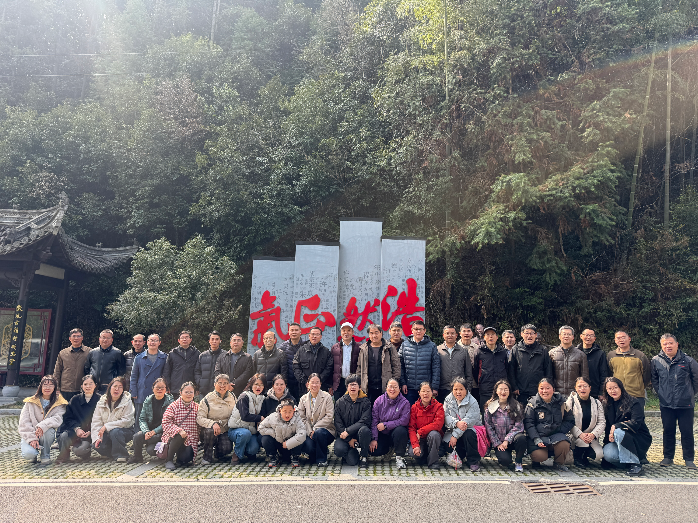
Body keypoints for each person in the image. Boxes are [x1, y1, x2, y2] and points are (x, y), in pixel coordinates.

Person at [651, 333, 698, 469]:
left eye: (670, 343)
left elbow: (696, 380)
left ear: (677, 344)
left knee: (687, 431)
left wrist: (689, 394)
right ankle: (668, 457)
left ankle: (689, 459)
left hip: (685, 404)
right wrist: (661, 393)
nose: (668, 346)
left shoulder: (688, 361)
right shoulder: (656, 360)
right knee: (668, 431)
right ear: (661, 346)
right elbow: (655, 380)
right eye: (665, 344)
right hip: (666, 404)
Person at [600, 377, 652, 476]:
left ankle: (635, 464)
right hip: (616, 440)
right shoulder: (606, 404)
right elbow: (607, 428)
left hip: (637, 438)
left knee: (618, 431)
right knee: (608, 455)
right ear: (606, 390)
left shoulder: (633, 402)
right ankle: (627, 462)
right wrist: (607, 441)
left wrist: (616, 426)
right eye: (610, 388)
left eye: (615, 387)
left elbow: (636, 423)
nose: (613, 391)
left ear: (621, 387)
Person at [523, 378, 574, 471]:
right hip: (539, 437)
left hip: (556, 436)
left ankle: (559, 463)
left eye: (547, 388)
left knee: (564, 444)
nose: (544, 391)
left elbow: (570, 420)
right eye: (541, 388)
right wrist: (536, 438)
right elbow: (528, 423)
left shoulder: (562, 403)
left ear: (553, 390)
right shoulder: (532, 404)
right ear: (538, 390)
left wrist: (559, 430)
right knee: (539, 456)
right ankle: (536, 462)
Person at [19, 375, 67, 465]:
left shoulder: (59, 403)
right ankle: (33, 454)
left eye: (51, 385)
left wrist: (42, 426)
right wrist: (32, 438)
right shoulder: (31, 402)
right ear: (40, 387)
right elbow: (24, 422)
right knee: (29, 454)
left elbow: (57, 419)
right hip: (31, 433)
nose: (47, 388)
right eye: (45, 385)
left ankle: (45, 455)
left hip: (46, 433)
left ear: (55, 388)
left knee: (49, 431)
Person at [56, 375, 101, 464]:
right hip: (75, 431)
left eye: (91, 384)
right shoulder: (75, 399)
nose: (88, 386)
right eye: (85, 384)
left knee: (80, 450)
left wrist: (91, 431)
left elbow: (102, 419)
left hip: (92, 433)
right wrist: (77, 429)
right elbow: (67, 417)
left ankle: (86, 452)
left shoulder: (100, 400)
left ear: (95, 385)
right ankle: (64, 455)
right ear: (81, 386)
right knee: (64, 436)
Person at [484, 379, 526, 472]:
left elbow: (518, 426)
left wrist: (507, 440)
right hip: (499, 442)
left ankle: (518, 461)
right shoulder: (490, 407)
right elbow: (489, 428)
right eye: (501, 389)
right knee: (505, 461)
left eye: (506, 389)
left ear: (509, 391)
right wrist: (497, 443)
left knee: (521, 438)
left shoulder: (516, 406)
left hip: (513, 439)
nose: (503, 392)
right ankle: (508, 460)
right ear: (496, 391)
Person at [128, 377, 173, 464]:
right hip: (149, 431)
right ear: (153, 389)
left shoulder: (170, 402)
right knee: (137, 436)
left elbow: (168, 422)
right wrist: (146, 431)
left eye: (162, 387)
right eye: (157, 387)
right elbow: (142, 419)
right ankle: (137, 457)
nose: (159, 390)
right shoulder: (148, 400)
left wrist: (154, 432)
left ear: (166, 389)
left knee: (151, 450)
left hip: (163, 432)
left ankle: (163, 451)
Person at [442, 377, 482, 471]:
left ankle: (473, 461)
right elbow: (445, 416)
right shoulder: (448, 400)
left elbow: (467, 423)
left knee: (468, 434)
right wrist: (456, 423)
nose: (458, 392)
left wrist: (455, 436)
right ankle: (461, 455)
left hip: (470, 430)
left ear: (466, 390)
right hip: (454, 429)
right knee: (447, 446)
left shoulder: (473, 402)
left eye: (461, 389)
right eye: (455, 389)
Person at [91, 376, 135, 462]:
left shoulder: (127, 401)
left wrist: (106, 426)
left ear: (123, 390)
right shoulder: (101, 402)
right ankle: (112, 451)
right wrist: (97, 438)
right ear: (110, 387)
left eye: (120, 387)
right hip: (107, 432)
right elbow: (96, 422)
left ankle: (121, 454)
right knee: (96, 445)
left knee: (115, 432)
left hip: (125, 430)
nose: (117, 389)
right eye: (115, 386)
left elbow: (127, 421)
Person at [564, 377, 605, 468]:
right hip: (574, 436)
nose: (582, 389)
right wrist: (580, 434)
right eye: (579, 386)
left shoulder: (597, 403)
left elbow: (601, 422)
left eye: (585, 386)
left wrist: (593, 434)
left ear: (590, 388)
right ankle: (577, 457)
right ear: (575, 388)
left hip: (590, 436)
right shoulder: (570, 402)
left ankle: (585, 455)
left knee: (599, 454)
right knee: (582, 442)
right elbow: (567, 421)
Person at [369, 378, 410, 469]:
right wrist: (374, 438)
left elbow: (404, 420)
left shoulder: (405, 403)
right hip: (382, 434)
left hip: (396, 433)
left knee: (401, 430)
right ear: (386, 388)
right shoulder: (378, 401)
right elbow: (374, 421)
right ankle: (389, 450)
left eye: (395, 387)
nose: (392, 389)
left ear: (399, 389)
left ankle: (399, 457)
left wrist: (386, 425)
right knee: (374, 451)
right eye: (390, 387)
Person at [509, 324, 553, 407]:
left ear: (536, 335)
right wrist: (514, 387)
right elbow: (511, 370)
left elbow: (548, 370)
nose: (529, 336)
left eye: (532, 333)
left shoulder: (543, 350)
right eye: (527, 333)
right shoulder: (515, 349)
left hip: (538, 391)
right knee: (521, 412)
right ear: (522, 334)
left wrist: (547, 387)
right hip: (521, 391)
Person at [196, 373, 236, 465]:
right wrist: (212, 424)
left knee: (226, 449)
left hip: (224, 429)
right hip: (209, 430)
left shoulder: (233, 397)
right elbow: (200, 418)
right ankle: (207, 456)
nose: (222, 386)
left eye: (225, 383)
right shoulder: (207, 399)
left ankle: (218, 452)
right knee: (210, 432)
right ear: (214, 384)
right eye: (220, 383)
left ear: (229, 385)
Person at [356, 324, 401, 404]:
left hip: (385, 387)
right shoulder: (364, 349)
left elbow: (396, 366)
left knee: (384, 409)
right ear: (369, 335)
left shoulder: (389, 348)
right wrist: (359, 383)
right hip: (368, 388)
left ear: (381, 333)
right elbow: (359, 368)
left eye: (376, 333)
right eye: (371, 333)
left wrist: (394, 383)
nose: (374, 336)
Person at [333, 374, 372, 467]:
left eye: (355, 385)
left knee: (365, 430)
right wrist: (349, 439)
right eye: (350, 385)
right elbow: (338, 423)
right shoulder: (340, 402)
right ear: (347, 387)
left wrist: (348, 431)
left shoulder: (366, 402)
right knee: (339, 451)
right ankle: (350, 451)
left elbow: (364, 421)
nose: (353, 387)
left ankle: (364, 456)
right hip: (345, 436)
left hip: (359, 434)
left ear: (360, 387)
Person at [298, 373, 336, 467]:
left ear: (320, 384)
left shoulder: (327, 397)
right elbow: (301, 418)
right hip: (309, 431)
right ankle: (317, 453)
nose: (314, 385)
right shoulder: (303, 399)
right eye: (312, 382)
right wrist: (310, 431)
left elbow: (329, 416)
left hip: (325, 430)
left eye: (317, 382)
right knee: (309, 448)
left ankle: (322, 460)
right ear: (308, 384)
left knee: (319, 433)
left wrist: (315, 428)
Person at [399, 320, 440, 405]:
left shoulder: (431, 346)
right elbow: (400, 366)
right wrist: (403, 383)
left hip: (426, 388)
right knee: (410, 411)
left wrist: (434, 387)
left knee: (426, 411)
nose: (418, 331)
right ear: (412, 330)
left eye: (421, 329)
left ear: (424, 331)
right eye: (416, 329)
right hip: (409, 388)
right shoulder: (404, 345)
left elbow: (436, 367)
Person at [228, 373, 265, 464]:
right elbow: (245, 416)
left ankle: (245, 449)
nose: (258, 387)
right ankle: (237, 454)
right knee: (245, 434)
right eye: (256, 384)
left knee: (253, 450)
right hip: (236, 430)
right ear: (251, 385)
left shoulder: (263, 398)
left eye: (261, 385)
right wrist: (260, 418)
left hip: (251, 431)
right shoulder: (244, 396)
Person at [130, 333, 167, 425]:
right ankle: (137, 433)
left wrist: (166, 390)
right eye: (151, 340)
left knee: (156, 417)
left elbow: (166, 375)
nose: (152, 343)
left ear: (159, 343)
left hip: (158, 391)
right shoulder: (139, 357)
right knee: (139, 417)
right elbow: (134, 376)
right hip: (142, 391)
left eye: (155, 341)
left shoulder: (164, 357)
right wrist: (133, 391)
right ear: (147, 342)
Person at [161, 382, 199, 471]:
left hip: (190, 440)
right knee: (179, 435)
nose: (189, 394)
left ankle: (180, 458)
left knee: (186, 459)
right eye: (186, 392)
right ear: (181, 393)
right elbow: (166, 423)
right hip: (174, 437)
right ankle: (169, 459)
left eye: (191, 392)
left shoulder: (197, 407)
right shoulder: (173, 406)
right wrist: (179, 430)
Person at [258, 398, 307, 468]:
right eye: (285, 411)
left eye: (290, 412)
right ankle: (273, 457)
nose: (287, 415)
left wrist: (288, 443)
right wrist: (275, 434)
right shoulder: (273, 417)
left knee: (299, 439)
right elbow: (261, 427)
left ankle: (295, 457)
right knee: (265, 438)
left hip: (292, 446)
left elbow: (302, 434)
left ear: (294, 410)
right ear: (280, 410)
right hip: (278, 442)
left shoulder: (298, 418)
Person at [607, 331, 651, 408]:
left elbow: (646, 374)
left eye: (623, 337)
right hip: (618, 395)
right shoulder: (611, 355)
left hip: (636, 394)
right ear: (615, 340)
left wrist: (639, 386)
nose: (621, 340)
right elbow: (609, 373)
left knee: (637, 415)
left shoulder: (640, 355)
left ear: (629, 339)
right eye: (618, 338)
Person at [473, 327, 510, 412]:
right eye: (488, 335)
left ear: (497, 337)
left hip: (501, 390)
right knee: (486, 413)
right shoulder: (479, 351)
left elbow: (507, 369)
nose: (490, 337)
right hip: (485, 388)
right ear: (484, 337)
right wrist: (481, 381)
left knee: (501, 414)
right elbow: (475, 370)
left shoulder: (502, 352)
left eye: (493, 334)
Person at [408, 382, 444, 469]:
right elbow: (411, 428)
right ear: (419, 393)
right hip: (420, 439)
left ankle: (433, 462)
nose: (425, 394)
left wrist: (421, 431)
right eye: (423, 391)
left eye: (428, 391)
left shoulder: (438, 406)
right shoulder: (414, 407)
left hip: (433, 438)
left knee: (434, 434)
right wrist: (415, 445)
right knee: (413, 453)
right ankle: (424, 456)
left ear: (432, 393)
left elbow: (438, 425)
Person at [549, 326, 589, 398]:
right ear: (559, 336)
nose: (566, 336)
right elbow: (548, 375)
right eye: (564, 334)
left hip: (574, 394)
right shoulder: (552, 353)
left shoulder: (581, 355)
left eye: (569, 334)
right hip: (556, 394)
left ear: (573, 337)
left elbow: (584, 376)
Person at [437, 325, 473, 401]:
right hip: (442, 389)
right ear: (443, 335)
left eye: (452, 333)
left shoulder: (463, 351)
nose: (450, 335)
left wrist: (468, 389)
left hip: (459, 390)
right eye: (447, 333)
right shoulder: (438, 350)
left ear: (456, 335)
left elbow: (468, 372)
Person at [53, 328, 90, 402]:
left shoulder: (89, 352)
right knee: (65, 408)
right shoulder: (63, 353)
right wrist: (56, 388)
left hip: (82, 388)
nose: (76, 338)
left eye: (78, 336)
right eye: (74, 336)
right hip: (65, 388)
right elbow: (57, 371)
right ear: (70, 338)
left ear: (82, 338)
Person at [84, 329, 126, 394]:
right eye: (103, 337)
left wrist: (114, 382)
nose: (105, 340)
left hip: (109, 386)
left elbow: (121, 371)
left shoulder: (117, 353)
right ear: (99, 339)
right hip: (93, 386)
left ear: (112, 339)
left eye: (108, 338)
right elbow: (87, 368)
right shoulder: (92, 352)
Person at [293, 327, 333, 393]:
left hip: (321, 387)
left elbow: (328, 368)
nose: (314, 336)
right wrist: (305, 381)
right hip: (304, 387)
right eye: (313, 334)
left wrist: (318, 381)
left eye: (317, 334)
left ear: (321, 337)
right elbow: (296, 367)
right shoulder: (301, 351)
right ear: (309, 336)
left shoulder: (326, 352)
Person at [163, 331, 199, 397]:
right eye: (182, 338)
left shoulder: (196, 353)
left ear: (190, 340)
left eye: (187, 337)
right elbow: (167, 371)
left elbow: (198, 371)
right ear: (179, 340)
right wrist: (167, 386)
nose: (184, 339)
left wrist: (197, 387)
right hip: (175, 388)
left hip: (190, 388)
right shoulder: (173, 353)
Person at [331, 322, 361, 399]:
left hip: (353, 382)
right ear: (341, 332)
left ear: (352, 332)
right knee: (339, 403)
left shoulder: (359, 347)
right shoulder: (335, 348)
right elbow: (331, 367)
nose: (346, 333)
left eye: (349, 330)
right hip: (339, 382)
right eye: (344, 330)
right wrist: (330, 385)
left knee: (353, 403)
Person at [577, 329, 610, 398]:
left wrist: (602, 392)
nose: (588, 337)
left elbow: (604, 374)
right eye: (586, 335)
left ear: (594, 338)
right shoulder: (575, 353)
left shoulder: (600, 354)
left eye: (591, 335)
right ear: (581, 336)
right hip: (578, 390)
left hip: (595, 391)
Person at [195, 330, 227, 397]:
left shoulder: (225, 355)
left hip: (219, 391)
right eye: (212, 339)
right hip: (203, 391)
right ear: (209, 341)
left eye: (217, 339)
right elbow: (197, 371)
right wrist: (199, 382)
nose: (214, 341)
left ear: (220, 341)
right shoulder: (202, 355)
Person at [279, 322, 304, 401]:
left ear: (300, 332)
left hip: (302, 383)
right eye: (292, 330)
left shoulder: (306, 346)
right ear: (289, 332)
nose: (294, 332)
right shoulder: (283, 347)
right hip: (288, 382)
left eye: (296, 330)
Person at [458, 323, 480, 404]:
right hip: (459, 382)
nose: (466, 333)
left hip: (475, 383)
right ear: (460, 333)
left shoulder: (477, 348)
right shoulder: (456, 348)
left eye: (468, 331)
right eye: (464, 331)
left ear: (472, 333)